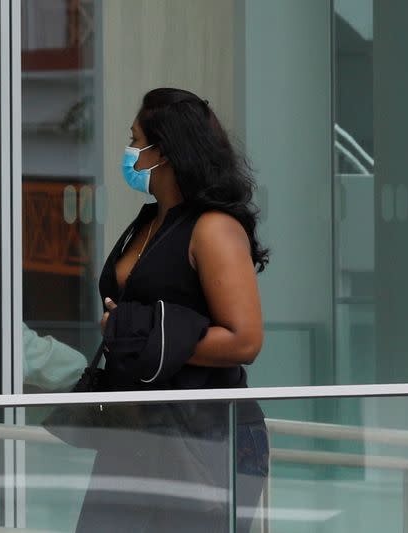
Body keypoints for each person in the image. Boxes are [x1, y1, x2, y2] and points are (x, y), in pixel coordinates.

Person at [75, 88, 269, 533]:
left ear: (162, 150)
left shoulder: (213, 228)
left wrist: (136, 336)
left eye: (135, 139)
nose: (130, 153)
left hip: (203, 434)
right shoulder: (149, 220)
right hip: (140, 429)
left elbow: (246, 339)